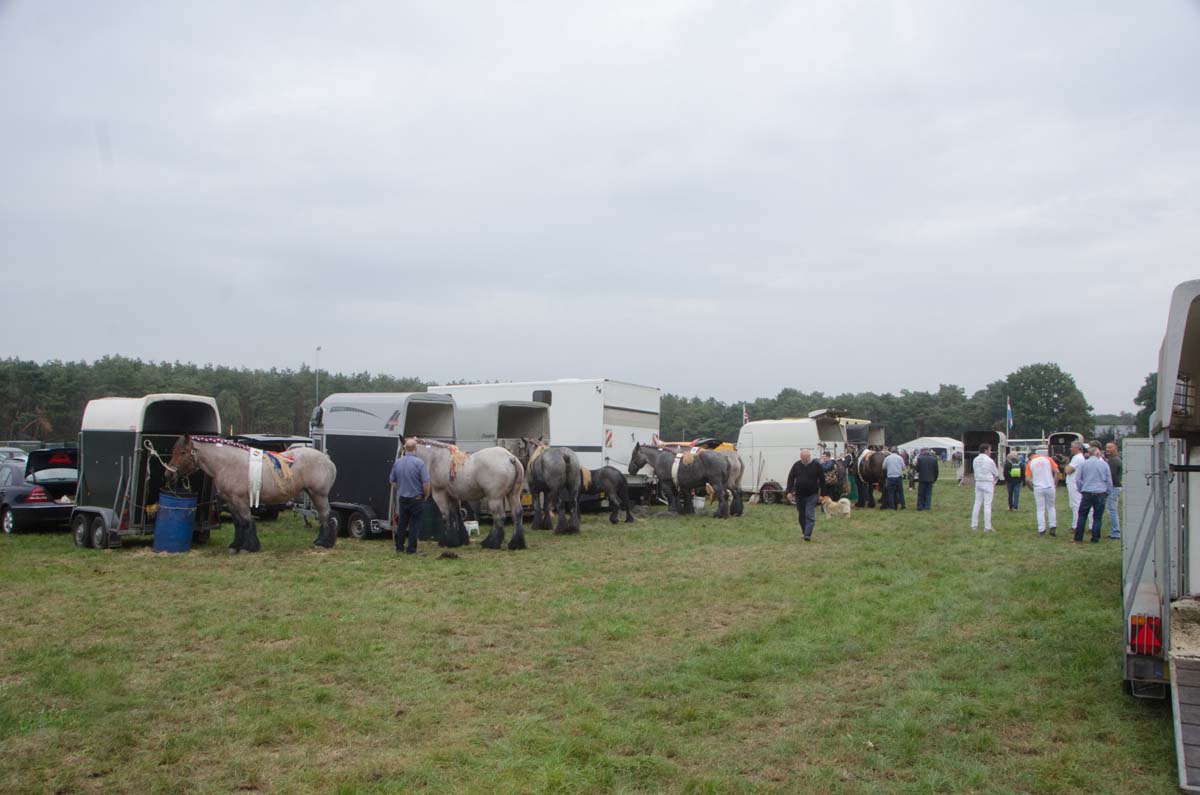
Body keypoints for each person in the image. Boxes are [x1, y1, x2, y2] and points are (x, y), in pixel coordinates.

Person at [389, 438, 432, 555]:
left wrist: (401, 488)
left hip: (403, 498)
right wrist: (426, 495)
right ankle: (411, 549)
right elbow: (426, 483)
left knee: (402, 523)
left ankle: (399, 548)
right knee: (414, 524)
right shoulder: (419, 463)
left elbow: (392, 480)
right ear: (415, 448)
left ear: (405, 448)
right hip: (416, 499)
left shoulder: (398, 462)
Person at [1074, 443, 1113, 543]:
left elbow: (1078, 479)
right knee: (1097, 517)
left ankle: (1078, 537)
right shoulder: (1104, 464)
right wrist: (1108, 491)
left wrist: (1081, 489)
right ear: (1098, 454)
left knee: (1082, 515)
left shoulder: (1083, 464)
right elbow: (1109, 480)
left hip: (1087, 492)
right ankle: (1095, 538)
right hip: (1100, 492)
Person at [786, 449, 824, 541]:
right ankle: (804, 532)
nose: (804, 459)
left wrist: (822, 494)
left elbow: (822, 480)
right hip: (799, 495)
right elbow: (791, 478)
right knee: (801, 515)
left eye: (805, 457)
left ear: (809, 456)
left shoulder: (816, 465)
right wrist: (789, 492)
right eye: (802, 458)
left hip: (812, 495)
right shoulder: (796, 465)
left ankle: (807, 535)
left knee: (809, 514)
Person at [1025, 450, 1060, 536]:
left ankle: (1042, 530)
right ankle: (1053, 526)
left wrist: (1031, 488)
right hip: (1050, 486)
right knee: (1051, 507)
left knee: (1040, 509)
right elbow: (1057, 472)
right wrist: (1055, 483)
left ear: (1029, 458)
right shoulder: (1048, 459)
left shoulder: (1030, 463)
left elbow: (1027, 480)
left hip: (1038, 488)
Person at [971, 444, 999, 532]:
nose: (990, 452)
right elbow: (996, 473)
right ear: (986, 450)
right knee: (987, 504)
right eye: (990, 450)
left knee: (977, 503)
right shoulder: (989, 460)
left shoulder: (975, 459)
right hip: (988, 482)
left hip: (978, 481)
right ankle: (987, 527)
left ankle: (974, 525)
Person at [1065, 441, 1086, 528]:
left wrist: (1066, 466)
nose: (1071, 449)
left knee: (1076, 504)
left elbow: (1068, 470)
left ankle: (1076, 525)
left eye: (1072, 447)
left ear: (1078, 448)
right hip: (1074, 482)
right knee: (1074, 503)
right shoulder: (1079, 457)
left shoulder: (1077, 458)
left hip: (1074, 482)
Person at [1106, 441, 1122, 540]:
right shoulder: (1112, 459)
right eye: (1107, 447)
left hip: (1114, 487)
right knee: (1112, 510)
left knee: (1112, 510)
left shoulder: (1114, 461)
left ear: (1115, 448)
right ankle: (1114, 530)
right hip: (1115, 487)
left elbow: (1111, 476)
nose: (1107, 449)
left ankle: (1116, 532)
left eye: (1110, 447)